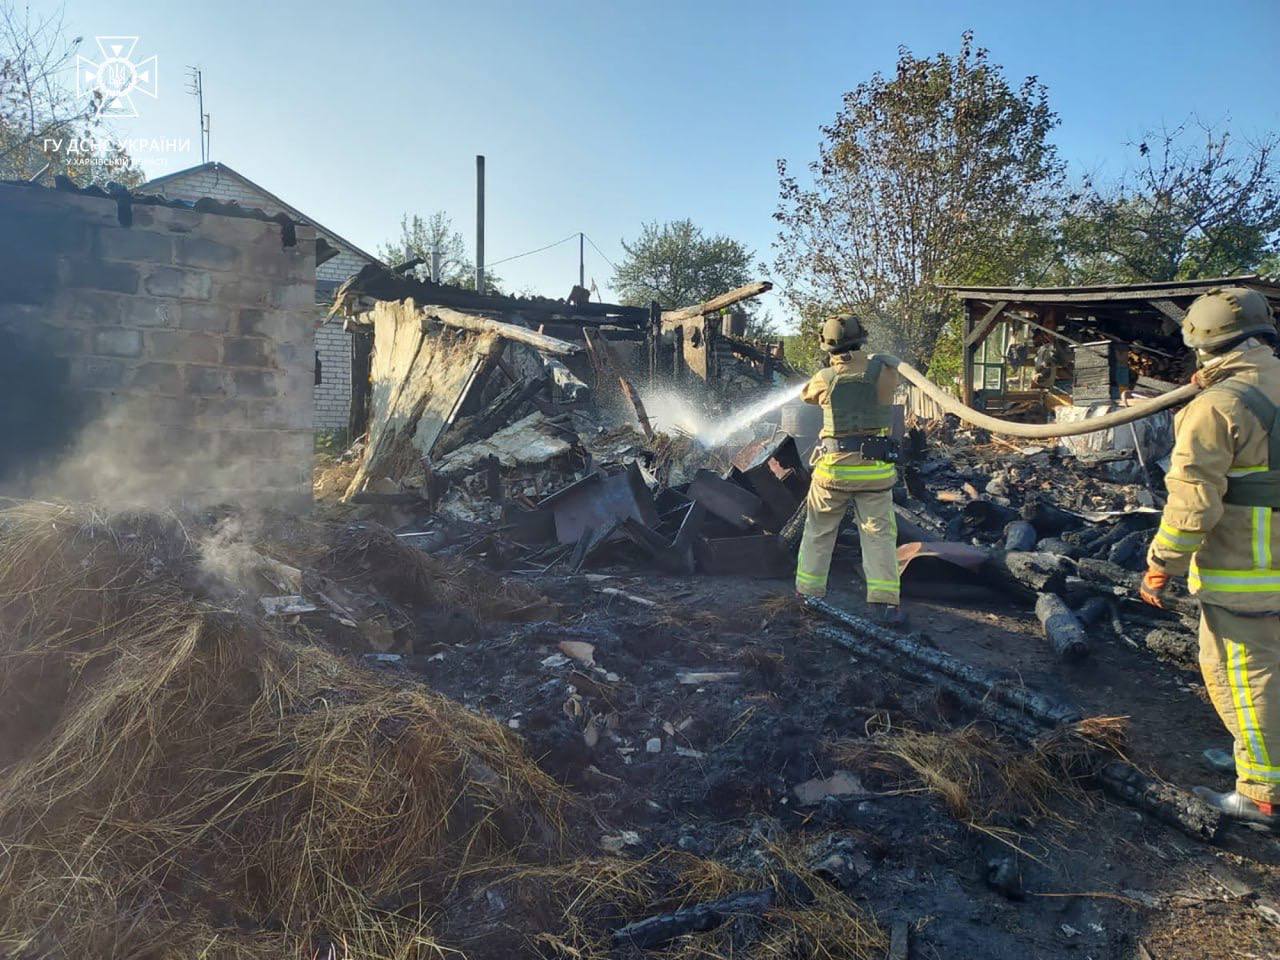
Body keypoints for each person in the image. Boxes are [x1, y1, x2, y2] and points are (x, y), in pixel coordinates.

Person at [1141, 286, 1280, 830]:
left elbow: (1193, 505)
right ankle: (1260, 759)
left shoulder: (1217, 407)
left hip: (1248, 573)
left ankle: (1263, 794)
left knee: (1245, 678)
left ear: (1201, 344)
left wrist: (1162, 565)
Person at [794, 314, 904, 625]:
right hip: (875, 473)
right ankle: (884, 604)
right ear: (861, 338)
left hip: (834, 472)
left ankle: (808, 595)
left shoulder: (824, 377)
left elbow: (806, 396)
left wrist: (833, 370)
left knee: (819, 532)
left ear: (827, 345)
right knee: (879, 536)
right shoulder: (886, 371)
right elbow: (894, 382)